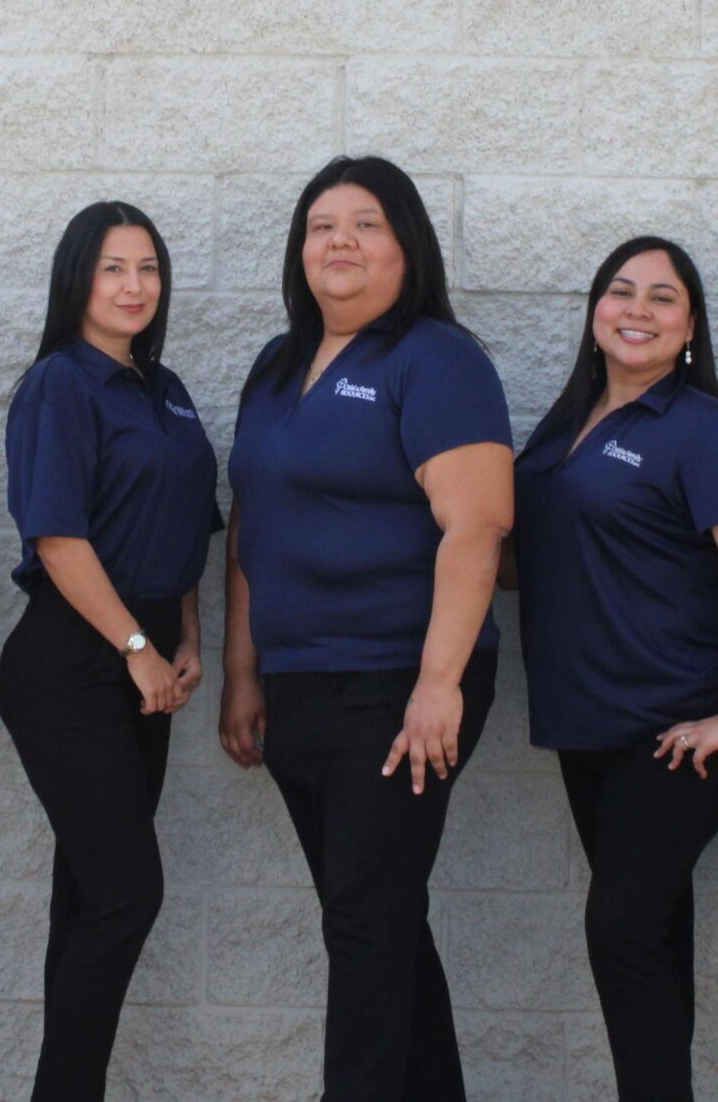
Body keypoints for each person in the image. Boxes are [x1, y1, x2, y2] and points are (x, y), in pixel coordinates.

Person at [217, 154, 512, 1100]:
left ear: (407, 244)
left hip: (398, 680)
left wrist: (439, 686)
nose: (340, 241)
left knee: (366, 923)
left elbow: (478, 525)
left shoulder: (437, 357)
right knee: (376, 919)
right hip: (300, 682)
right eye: (320, 225)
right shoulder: (276, 365)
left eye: (366, 223)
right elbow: (251, 525)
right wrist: (242, 671)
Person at [510, 236, 718, 1102]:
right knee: (654, 933)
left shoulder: (707, 432)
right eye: (621, 291)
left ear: (691, 329)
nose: (638, 310)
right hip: (589, 723)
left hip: (676, 727)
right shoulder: (564, 429)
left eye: (663, 298)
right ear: (594, 313)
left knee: (621, 932)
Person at [0, 202, 222, 1100]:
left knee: (90, 897)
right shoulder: (61, 383)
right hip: (72, 662)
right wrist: (136, 644)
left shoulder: (165, 389)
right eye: (113, 269)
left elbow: (191, 522)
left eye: (149, 270)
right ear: (78, 281)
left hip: (149, 662)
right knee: (129, 893)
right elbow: (57, 536)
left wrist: (189, 639)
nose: (134, 287)